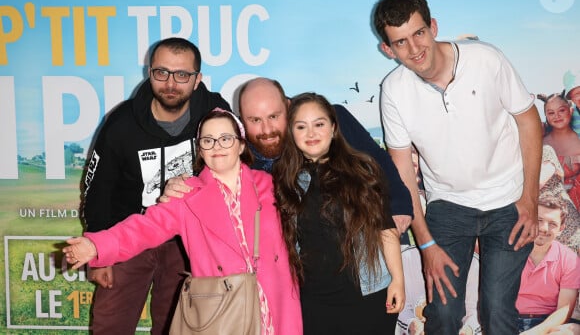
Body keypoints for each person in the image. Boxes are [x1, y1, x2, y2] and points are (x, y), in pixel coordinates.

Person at [373, 0, 543, 334]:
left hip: (508, 200)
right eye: (401, 42)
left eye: (419, 33)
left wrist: (529, 200)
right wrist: (426, 244)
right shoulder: (393, 89)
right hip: (448, 208)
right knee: (445, 315)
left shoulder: (486, 59)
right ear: (387, 50)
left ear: (433, 26)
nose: (415, 49)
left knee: (497, 310)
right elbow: (403, 172)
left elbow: (528, 120)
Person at [65, 109, 302, 335]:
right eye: (208, 140)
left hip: (276, 307)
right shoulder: (187, 195)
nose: (217, 146)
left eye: (225, 138)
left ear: (241, 144)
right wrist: (96, 246)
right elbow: (144, 228)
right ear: (200, 149)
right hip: (222, 313)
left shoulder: (270, 186)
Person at [81, 37, 230, 334]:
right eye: (161, 73)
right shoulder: (121, 123)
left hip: (185, 241)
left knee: (175, 326)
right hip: (128, 233)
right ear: (149, 73)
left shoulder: (215, 114)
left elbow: (233, 173)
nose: (171, 84)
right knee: (111, 325)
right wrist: (99, 252)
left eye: (182, 75)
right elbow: (98, 191)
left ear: (197, 79)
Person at [162, 77, 413, 234]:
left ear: (288, 107)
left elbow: (376, 161)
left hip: (350, 251)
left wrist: (400, 204)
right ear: (241, 119)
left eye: (274, 116)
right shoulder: (237, 149)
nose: (267, 130)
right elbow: (209, 184)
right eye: (255, 120)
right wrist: (180, 187)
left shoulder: (327, 121)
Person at [272, 92, 405, 334]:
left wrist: (398, 280)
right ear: (292, 133)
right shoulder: (285, 180)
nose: (311, 133)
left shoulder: (363, 171)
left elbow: (385, 228)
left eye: (319, 124)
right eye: (301, 126)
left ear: (333, 128)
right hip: (312, 301)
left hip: (367, 296)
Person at [516, 195, 580, 332]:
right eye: (539, 220)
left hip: (546, 324)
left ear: (561, 228)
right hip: (508, 319)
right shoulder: (509, 251)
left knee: (570, 331)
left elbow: (564, 311)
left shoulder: (570, 259)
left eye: (552, 224)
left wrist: (534, 332)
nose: (544, 228)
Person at [540, 92, 580, 210]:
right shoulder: (541, 142)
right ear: (546, 116)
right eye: (551, 113)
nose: (556, 116)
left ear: (571, 111)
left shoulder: (579, 138)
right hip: (548, 206)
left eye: (561, 110)